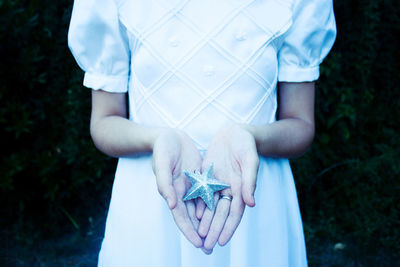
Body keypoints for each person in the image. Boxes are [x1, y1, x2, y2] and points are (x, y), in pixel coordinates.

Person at [68, 0, 336, 266]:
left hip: (252, 201)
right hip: (152, 201)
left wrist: (249, 136)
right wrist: (158, 138)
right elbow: (105, 121)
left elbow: (300, 124)